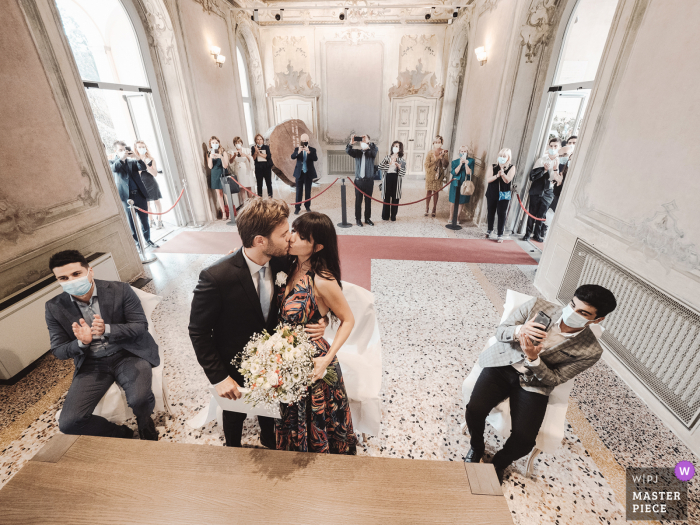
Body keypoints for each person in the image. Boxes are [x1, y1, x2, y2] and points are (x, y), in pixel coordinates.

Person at [188, 198, 327, 449]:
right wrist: (219, 378)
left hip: (272, 364)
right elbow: (198, 331)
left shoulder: (283, 261)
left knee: (270, 412)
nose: (290, 239)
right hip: (233, 364)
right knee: (234, 415)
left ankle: (268, 439)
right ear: (260, 240)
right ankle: (233, 448)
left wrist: (322, 318)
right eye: (284, 233)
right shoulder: (216, 277)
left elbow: (308, 293)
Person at [464, 284, 617, 484]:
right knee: (474, 410)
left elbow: (554, 379)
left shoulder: (590, 351)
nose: (572, 312)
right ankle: (477, 446)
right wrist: (519, 330)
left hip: (534, 382)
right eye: (572, 305)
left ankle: (499, 463)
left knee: (524, 441)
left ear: (598, 319)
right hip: (502, 366)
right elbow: (500, 332)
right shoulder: (537, 306)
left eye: (582, 312)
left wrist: (534, 359)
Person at [45, 250, 160, 440]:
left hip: (127, 353)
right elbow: (58, 350)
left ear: (90, 271)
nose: (71, 280)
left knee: (139, 399)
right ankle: (120, 433)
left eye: (76, 274)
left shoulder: (120, 289)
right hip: (92, 363)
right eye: (63, 278)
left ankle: (144, 420)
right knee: (69, 422)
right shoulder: (54, 306)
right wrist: (82, 342)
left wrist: (107, 329)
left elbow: (140, 326)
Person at [277, 212, 358, 454]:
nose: (291, 239)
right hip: (287, 356)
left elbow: (348, 319)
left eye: (301, 237)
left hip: (313, 361)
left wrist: (327, 358)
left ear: (317, 246)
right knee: (292, 416)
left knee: (317, 421)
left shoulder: (322, 280)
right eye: (293, 231)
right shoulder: (289, 265)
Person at [110, 141, 157, 248]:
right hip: (126, 198)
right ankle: (137, 243)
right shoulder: (112, 162)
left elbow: (143, 167)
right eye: (120, 150)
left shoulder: (132, 162)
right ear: (115, 151)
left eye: (124, 149)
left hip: (140, 195)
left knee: (144, 220)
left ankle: (148, 240)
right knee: (131, 222)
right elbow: (114, 169)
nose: (123, 152)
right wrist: (122, 158)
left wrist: (136, 157)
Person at [522, 138, 560, 242]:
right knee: (532, 213)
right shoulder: (541, 160)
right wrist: (544, 170)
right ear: (548, 146)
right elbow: (532, 176)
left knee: (542, 215)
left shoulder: (560, 163)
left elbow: (557, 179)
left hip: (549, 192)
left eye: (555, 146)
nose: (553, 148)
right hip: (537, 190)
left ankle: (537, 234)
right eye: (551, 146)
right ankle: (528, 233)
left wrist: (555, 169)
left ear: (559, 147)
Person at [346, 134, 378, 227]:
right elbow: (348, 151)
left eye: (365, 141)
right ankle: (358, 219)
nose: (363, 143)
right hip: (358, 181)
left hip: (369, 181)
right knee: (358, 201)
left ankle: (367, 218)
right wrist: (351, 143)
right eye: (362, 141)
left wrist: (368, 143)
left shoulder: (372, 152)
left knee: (368, 201)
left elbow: (375, 151)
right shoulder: (357, 153)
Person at [484, 148, 515, 243]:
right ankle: (489, 229)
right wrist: (497, 175)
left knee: (501, 214)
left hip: (503, 195)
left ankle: (500, 234)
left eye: (504, 156)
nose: (502, 158)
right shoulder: (492, 166)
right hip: (492, 193)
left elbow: (508, 180)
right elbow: (488, 179)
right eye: (500, 156)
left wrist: (503, 174)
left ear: (508, 157)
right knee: (491, 212)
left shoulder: (511, 167)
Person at [134, 140, 163, 230]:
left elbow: (155, 174)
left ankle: (159, 220)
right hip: (142, 184)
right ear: (136, 149)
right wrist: (140, 164)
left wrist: (146, 166)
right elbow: (136, 175)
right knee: (147, 204)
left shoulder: (151, 159)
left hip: (151, 183)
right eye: (140, 147)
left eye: (143, 147)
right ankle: (151, 220)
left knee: (157, 201)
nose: (142, 149)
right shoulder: (135, 161)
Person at [378, 141, 406, 221]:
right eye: (394, 146)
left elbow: (403, 173)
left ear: (400, 149)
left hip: (396, 180)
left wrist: (399, 168)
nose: (395, 148)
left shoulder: (402, 160)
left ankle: (393, 215)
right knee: (386, 198)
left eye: (397, 146)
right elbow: (380, 167)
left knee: (395, 198)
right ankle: (385, 215)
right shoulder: (387, 157)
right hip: (387, 179)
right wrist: (389, 164)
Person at [291, 133, 318, 215]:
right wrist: (298, 151)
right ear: (301, 141)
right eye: (303, 140)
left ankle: (307, 206)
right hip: (299, 173)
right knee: (298, 191)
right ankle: (297, 208)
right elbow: (292, 157)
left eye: (306, 140)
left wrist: (308, 152)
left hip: (308, 173)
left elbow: (315, 158)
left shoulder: (312, 150)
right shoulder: (297, 149)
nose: (304, 141)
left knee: (308, 191)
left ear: (308, 140)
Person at [424, 135, 449, 218]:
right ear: (433, 143)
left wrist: (442, 157)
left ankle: (434, 208)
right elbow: (426, 164)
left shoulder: (444, 152)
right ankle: (427, 207)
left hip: (439, 174)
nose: (437, 143)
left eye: (439, 142)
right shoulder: (430, 152)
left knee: (436, 191)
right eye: (436, 142)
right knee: (429, 191)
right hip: (430, 174)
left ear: (441, 143)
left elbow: (446, 165)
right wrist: (436, 158)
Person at [449, 145, 475, 223]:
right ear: (459, 152)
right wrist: (460, 164)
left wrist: (466, 164)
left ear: (467, 153)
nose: (463, 153)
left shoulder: (471, 161)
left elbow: (469, 173)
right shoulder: (455, 162)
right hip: (455, 183)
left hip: (465, 184)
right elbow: (454, 172)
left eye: (465, 151)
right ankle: (451, 216)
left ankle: (458, 216)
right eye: (462, 151)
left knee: (461, 201)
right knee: (453, 200)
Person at [207, 136, 229, 221]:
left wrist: (221, 157)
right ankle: (223, 213)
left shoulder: (223, 152)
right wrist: (211, 158)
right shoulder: (209, 153)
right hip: (215, 174)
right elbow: (210, 166)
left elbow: (226, 165)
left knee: (226, 194)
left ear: (219, 143)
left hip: (223, 173)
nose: (215, 144)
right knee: (219, 194)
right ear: (210, 144)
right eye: (213, 143)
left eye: (216, 143)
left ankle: (230, 212)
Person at [230, 136, 255, 206]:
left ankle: (251, 202)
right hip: (239, 170)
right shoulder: (232, 151)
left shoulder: (247, 150)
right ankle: (244, 203)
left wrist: (245, 155)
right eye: (236, 142)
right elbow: (230, 162)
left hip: (246, 169)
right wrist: (234, 156)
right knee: (242, 187)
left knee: (248, 185)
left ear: (241, 143)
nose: (238, 143)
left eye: (239, 142)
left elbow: (251, 159)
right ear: (234, 144)